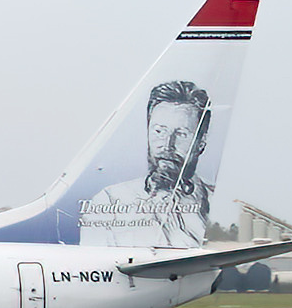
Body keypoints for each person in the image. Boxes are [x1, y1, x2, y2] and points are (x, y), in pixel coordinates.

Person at [79, 80, 213, 248]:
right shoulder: (109, 202)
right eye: (159, 131)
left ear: (201, 142)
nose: (167, 145)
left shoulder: (217, 204)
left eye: (181, 134)